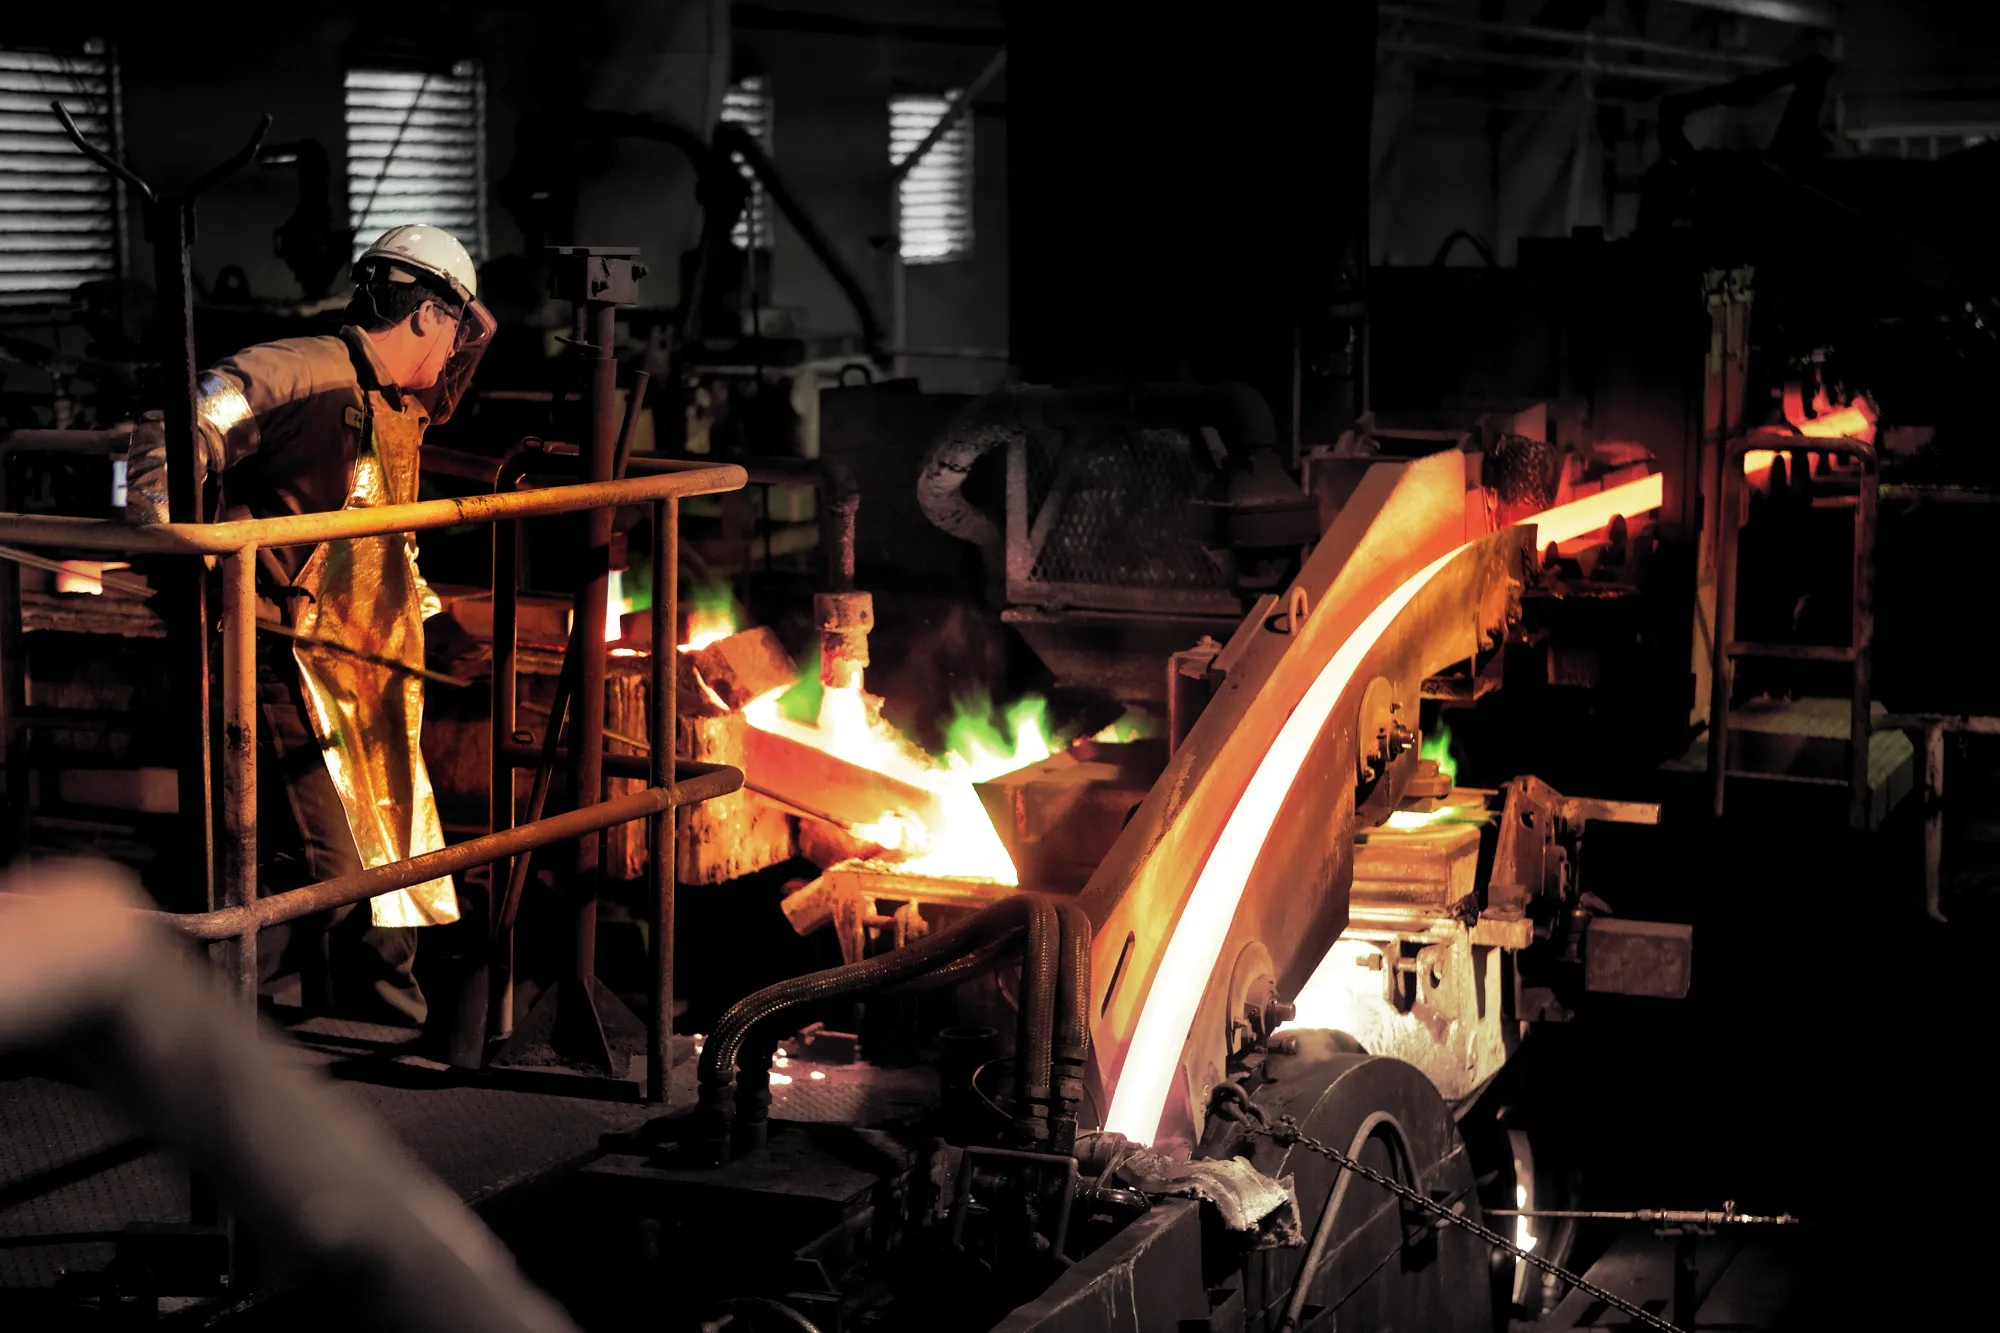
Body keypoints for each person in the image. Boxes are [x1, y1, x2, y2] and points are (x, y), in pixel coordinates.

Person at [129, 225, 496, 1027]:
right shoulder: (307, 372)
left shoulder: (393, 405)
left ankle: (361, 1035)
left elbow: (379, 537)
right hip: (284, 656)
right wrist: (185, 553)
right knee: (349, 866)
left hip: (364, 662)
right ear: (429, 315)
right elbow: (174, 431)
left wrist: (431, 614)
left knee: (394, 858)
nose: (458, 346)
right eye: (457, 323)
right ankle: (364, 1043)